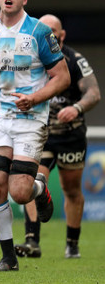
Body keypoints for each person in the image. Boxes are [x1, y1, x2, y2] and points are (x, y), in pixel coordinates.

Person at [0, 0, 71, 272]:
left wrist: (36, 98)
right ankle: (8, 257)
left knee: (20, 193)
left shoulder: (39, 31)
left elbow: (62, 77)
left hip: (30, 118)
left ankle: (40, 188)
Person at [15, 14, 101, 260]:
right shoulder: (28, 58)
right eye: (45, 31)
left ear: (62, 36)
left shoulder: (75, 60)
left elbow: (93, 93)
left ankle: (72, 244)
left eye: (54, 31)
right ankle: (32, 241)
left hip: (70, 135)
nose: (49, 35)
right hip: (39, 133)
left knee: (71, 189)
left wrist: (77, 108)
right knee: (30, 179)